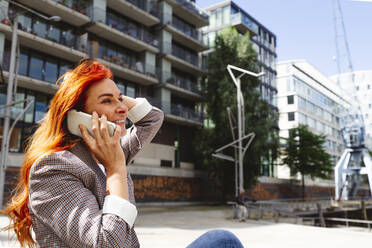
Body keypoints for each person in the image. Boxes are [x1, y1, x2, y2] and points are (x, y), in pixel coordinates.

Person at [1, 60, 244, 248]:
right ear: (77, 116)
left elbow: (152, 119)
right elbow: (107, 243)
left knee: (221, 239)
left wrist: (110, 92)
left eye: (121, 100)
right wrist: (117, 170)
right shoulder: (54, 168)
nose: (122, 109)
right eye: (106, 101)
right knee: (223, 241)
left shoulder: (106, 153)